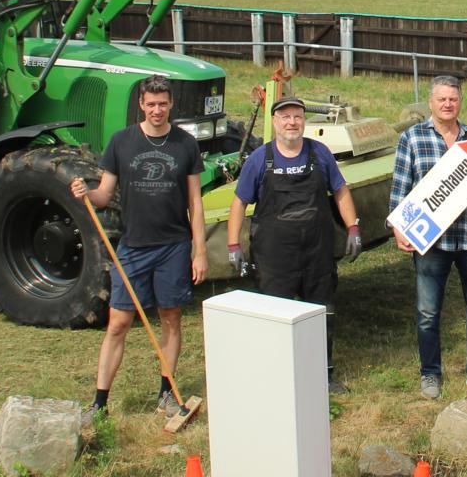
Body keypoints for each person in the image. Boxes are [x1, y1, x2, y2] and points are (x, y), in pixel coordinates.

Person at [70, 76, 207, 424]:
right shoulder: (122, 142)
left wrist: (199, 251)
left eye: (163, 104)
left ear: (170, 104)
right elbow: (105, 194)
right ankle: (99, 404)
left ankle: (166, 393)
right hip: (132, 247)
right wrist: (87, 193)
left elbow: (195, 201)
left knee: (171, 318)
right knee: (118, 323)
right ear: (141, 105)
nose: (157, 110)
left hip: (174, 246)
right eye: (151, 104)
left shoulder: (185, 144)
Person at [226, 95, 363, 396]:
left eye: (297, 117)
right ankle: (278, 375)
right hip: (275, 255)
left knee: (321, 312)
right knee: (277, 316)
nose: (292, 122)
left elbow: (340, 191)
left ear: (304, 121)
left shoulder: (320, 154)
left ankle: (323, 374)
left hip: (317, 251)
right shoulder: (260, 159)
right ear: (275, 122)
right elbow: (238, 204)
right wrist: (233, 244)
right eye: (285, 117)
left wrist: (353, 227)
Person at [389, 76, 467, 399]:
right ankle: (430, 375)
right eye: (442, 99)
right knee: (427, 312)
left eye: (453, 99)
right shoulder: (411, 138)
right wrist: (397, 227)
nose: (448, 104)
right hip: (431, 243)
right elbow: (399, 190)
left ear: (460, 101)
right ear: (431, 103)